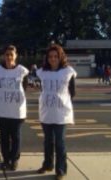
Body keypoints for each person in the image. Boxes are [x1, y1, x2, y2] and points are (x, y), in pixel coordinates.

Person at [36, 44, 76, 180]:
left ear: (60, 57)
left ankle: (61, 170)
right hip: (46, 112)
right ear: (47, 58)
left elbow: (72, 92)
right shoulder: (42, 72)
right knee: (48, 141)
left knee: (60, 142)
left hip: (61, 113)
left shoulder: (67, 71)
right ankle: (47, 165)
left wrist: (61, 101)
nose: (53, 59)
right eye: (50, 56)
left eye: (55, 56)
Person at [0, 45, 29, 171]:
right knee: (4, 138)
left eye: (11, 54)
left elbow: (23, 89)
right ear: (4, 56)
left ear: (16, 55)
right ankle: (6, 159)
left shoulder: (22, 71)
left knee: (16, 137)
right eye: (7, 54)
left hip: (16, 111)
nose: (9, 57)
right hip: (2, 111)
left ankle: (14, 160)